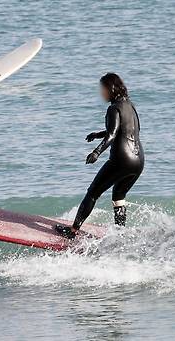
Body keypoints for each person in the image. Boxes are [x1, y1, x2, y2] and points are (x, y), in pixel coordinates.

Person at [55, 73, 144, 239]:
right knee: (119, 195)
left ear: (110, 89)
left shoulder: (113, 108)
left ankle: (73, 231)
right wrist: (98, 134)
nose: (100, 93)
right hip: (138, 161)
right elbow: (125, 130)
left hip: (121, 161)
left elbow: (112, 135)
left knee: (92, 193)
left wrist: (96, 152)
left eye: (102, 89)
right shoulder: (130, 106)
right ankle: (120, 234)